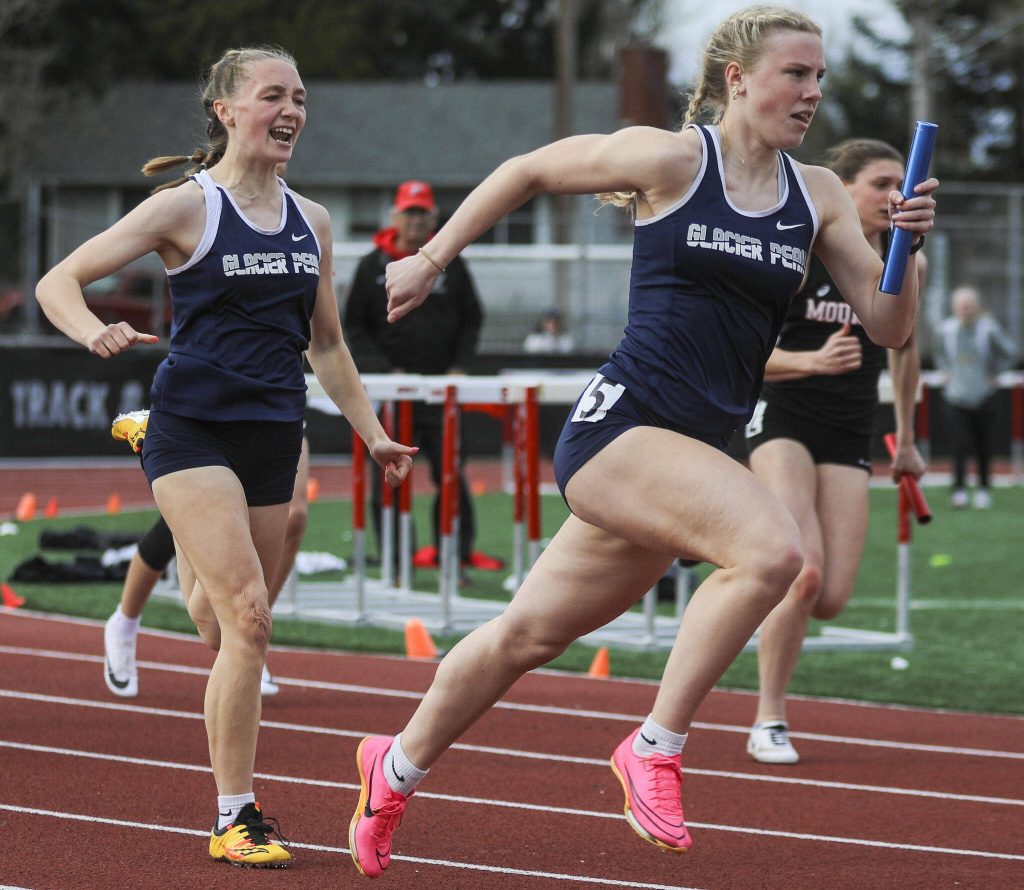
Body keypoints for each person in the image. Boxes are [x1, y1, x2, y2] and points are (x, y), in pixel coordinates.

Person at [344, 6, 937, 877]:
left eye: (819, 79)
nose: (811, 94)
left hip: (689, 453)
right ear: (738, 77)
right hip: (622, 430)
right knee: (773, 553)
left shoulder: (816, 194)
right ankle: (654, 748)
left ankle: (390, 769)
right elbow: (526, 170)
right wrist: (431, 259)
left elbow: (889, 326)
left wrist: (906, 252)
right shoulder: (672, 159)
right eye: (794, 74)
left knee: (524, 637)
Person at [35, 45, 415, 868]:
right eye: (274, 95)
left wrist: (372, 431)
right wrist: (88, 327)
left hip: (274, 433)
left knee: (215, 616)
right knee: (250, 618)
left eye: (301, 99)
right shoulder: (186, 208)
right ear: (226, 110)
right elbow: (58, 281)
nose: (292, 112)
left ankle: (187, 574)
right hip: (194, 427)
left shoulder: (310, 219)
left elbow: (329, 345)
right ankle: (234, 817)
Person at [743, 138, 928, 764]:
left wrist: (905, 436)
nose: (893, 194)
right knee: (804, 571)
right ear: (840, 190)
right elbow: (745, 353)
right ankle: (769, 718)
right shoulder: (798, 256)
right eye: (879, 183)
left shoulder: (906, 264)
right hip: (782, 415)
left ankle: (737, 564)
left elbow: (905, 354)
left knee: (831, 597)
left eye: (901, 183)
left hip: (850, 429)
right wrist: (811, 361)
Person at [343, 179, 503, 573]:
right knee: (389, 473)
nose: (416, 221)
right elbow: (355, 329)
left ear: (433, 217)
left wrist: (459, 366)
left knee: (451, 473)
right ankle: (396, 558)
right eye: (409, 213)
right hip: (390, 392)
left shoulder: (448, 261)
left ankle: (456, 555)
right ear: (395, 216)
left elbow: (472, 318)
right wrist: (385, 370)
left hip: (440, 390)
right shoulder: (370, 266)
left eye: (422, 213)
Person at [103, 412, 312, 699]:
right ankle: (124, 622)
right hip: (209, 407)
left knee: (292, 517)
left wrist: (374, 435)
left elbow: (332, 364)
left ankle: (254, 630)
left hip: (276, 405)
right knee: (213, 623)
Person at [935, 285, 1015, 509]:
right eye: (960, 305)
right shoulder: (946, 330)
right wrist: (946, 372)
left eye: (968, 305)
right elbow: (940, 355)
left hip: (984, 396)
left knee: (984, 445)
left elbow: (1009, 352)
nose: (965, 309)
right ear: (954, 307)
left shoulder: (988, 329)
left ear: (976, 306)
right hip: (955, 397)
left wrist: (995, 373)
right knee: (958, 445)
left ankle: (983, 490)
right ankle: (959, 490)